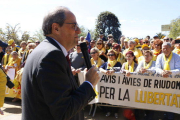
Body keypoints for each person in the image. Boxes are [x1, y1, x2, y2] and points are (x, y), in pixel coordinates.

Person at [21, 6, 100, 120]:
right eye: (74, 26)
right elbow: (64, 111)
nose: (79, 31)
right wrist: (89, 83)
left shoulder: (43, 50)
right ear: (56, 28)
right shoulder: (51, 56)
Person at [155, 42, 180, 120]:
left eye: (167, 48)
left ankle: (171, 117)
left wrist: (170, 72)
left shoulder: (177, 57)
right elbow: (157, 68)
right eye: (163, 48)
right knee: (163, 99)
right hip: (163, 82)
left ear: (171, 48)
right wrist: (162, 72)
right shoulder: (159, 56)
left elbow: (179, 69)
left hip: (174, 82)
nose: (165, 50)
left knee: (172, 100)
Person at [99, 49, 121, 119]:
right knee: (107, 97)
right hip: (107, 85)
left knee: (116, 98)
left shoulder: (118, 63)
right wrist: (105, 71)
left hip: (116, 85)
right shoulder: (105, 63)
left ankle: (115, 112)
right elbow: (100, 68)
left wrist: (113, 70)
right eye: (109, 55)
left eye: (112, 55)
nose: (110, 56)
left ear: (115, 55)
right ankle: (108, 111)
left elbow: (120, 69)